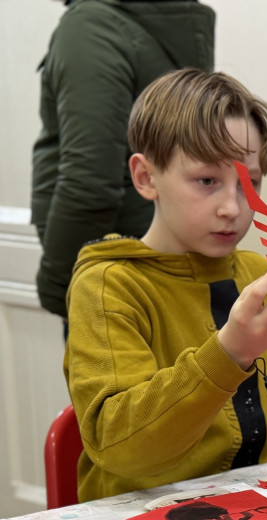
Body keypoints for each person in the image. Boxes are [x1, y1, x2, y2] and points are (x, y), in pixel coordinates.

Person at [63, 68, 267, 502]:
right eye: (207, 181)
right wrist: (230, 352)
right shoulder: (109, 286)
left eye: (250, 183)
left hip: (263, 512)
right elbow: (121, 449)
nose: (233, 207)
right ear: (146, 177)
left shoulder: (259, 275)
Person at [32, 0, 215, 321]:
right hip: (162, 266)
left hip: (111, 276)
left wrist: (60, 285)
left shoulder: (92, 27)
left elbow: (89, 180)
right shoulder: (163, 24)